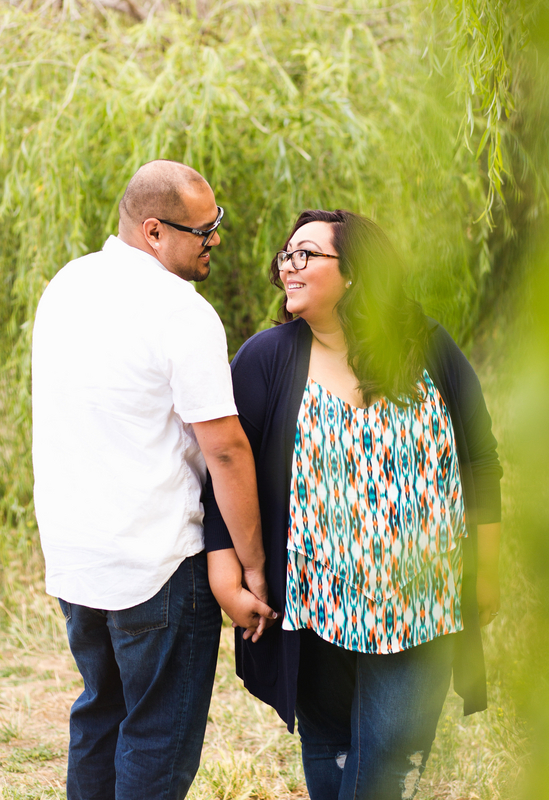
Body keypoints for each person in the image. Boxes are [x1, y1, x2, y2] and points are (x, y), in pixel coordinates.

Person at [205, 209, 502, 800]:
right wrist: (224, 573)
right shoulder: (265, 360)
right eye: (286, 256)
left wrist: (487, 572)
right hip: (314, 601)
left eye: (307, 254)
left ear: (357, 274)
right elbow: (224, 471)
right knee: (329, 743)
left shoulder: (425, 346)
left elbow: (481, 460)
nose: (289, 266)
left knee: (388, 752)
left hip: (422, 599)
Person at [31, 160, 274, 800]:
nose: (217, 238)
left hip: (79, 558)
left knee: (100, 717)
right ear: (155, 231)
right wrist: (252, 566)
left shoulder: (67, 285)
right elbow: (224, 450)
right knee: (157, 742)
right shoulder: (180, 311)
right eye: (205, 228)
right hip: (158, 567)